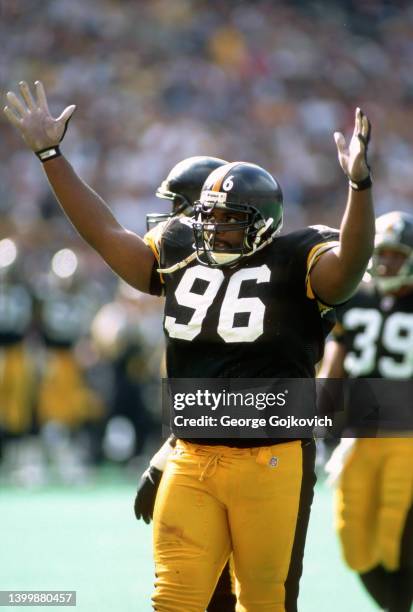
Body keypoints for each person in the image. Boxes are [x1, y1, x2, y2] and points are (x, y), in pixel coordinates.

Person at [4, 80, 374, 611]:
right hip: (192, 451)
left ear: (263, 224)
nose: (211, 228)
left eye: (228, 221)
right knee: (173, 600)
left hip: (270, 456)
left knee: (264, 601)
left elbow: (349, 268)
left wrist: (359, 188)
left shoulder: (298, 256)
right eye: (208, 216)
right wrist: (50, 155)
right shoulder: (181, 249)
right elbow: (109, 236)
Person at [320, 211, 413, 612]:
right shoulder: (354, 297)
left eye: (396, 254)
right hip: (360, 434)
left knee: (401, 537)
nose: (387, 262)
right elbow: (332, 370)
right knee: (355, 540)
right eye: (382, 254)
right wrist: (320, 428)